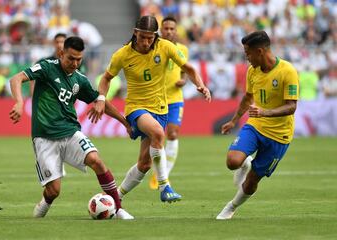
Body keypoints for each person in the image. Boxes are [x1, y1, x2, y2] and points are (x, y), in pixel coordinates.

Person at [9, 36, 134, 220]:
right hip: (44, 137)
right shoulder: (47, 67)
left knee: (96, 161)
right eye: (71, 58)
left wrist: (124, 122)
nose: (75, 63)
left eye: (79, 59)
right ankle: (41, 209)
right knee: (53, 191)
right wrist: (19, 102)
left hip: (70, 131)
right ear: (61, 54)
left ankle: (119, 209)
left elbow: (100, 101)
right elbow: (16, 78)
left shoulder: (79, 80)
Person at [95, 15, 211, 203]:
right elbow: (106, 78)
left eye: (150, 38)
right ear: (135, 33)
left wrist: (201, 85)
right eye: (142, 37)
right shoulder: (122, 54)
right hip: (136, 108)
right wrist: (101, 98)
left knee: (145, 163)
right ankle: (165, 186)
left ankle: (116, 197)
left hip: (161, 108)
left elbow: (188, 68)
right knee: (158, 134)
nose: (146, 42)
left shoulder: (165, 47)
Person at [216, 31, 299, 220]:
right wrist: (234, 120)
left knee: (252, 181)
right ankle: (245, 163)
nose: (246, 58)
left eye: (248, 53)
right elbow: (247, 97)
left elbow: (292, 106)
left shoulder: (288, 71)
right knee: (232, 162)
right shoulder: (252, 70)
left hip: (279, 135)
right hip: (256, 126)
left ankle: (231, 206)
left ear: (260, 51)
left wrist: (265, 112)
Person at [149, 16, 189, 190]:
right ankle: (157, 171)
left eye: (172, 29)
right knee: (156, 138)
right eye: (166, 28)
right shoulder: (152, 49)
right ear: (161, 30)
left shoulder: (183, 49)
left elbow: (185, 70)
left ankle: (161, 176)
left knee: (172, 134)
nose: (169, 31)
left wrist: (184, 79)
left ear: (176, 30)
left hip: (175, 99)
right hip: (155, 99)